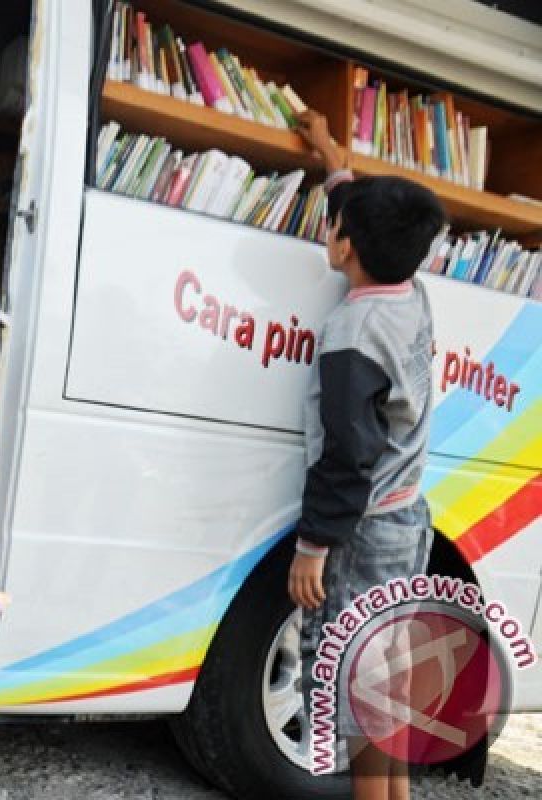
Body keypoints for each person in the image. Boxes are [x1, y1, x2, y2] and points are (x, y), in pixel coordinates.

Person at [290, 110, 446, 800]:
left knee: (350, 679)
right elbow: (360, 213)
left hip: (361, 530)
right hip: (408, 518)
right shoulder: (412, 291)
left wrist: (313, 546)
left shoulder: (354, 331)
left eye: (337, 224)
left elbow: (348, 455)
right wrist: (329, 155)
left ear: (345, 246)